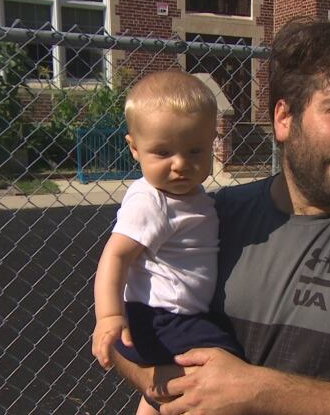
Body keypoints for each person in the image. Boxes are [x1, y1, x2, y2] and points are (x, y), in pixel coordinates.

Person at [112, 19, 330, 415]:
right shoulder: (212, 217)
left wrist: (259, 392)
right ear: (284, 118)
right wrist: (173, 387)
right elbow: (118, 331)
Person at [92, 71, 242, 415]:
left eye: (195, 151)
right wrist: (110, 316)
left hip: (173, 317)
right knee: (227, 367)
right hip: (161, 319)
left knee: (165, 388)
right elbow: (115, 257)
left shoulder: (191, 197)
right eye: (162, 152)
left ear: (213, 143)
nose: (180, 165)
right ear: (134, 148)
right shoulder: (152, 201)